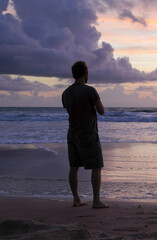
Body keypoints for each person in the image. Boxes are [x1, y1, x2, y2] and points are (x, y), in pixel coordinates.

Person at [62, 60, 109, 209]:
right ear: (86, 74)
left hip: (72, 133)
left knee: (74, 166)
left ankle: (76, 199)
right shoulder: (90, 90)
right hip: (88, 134)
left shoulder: (66, 93)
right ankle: (96, 201)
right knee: (96, 166)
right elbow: (101, 111)